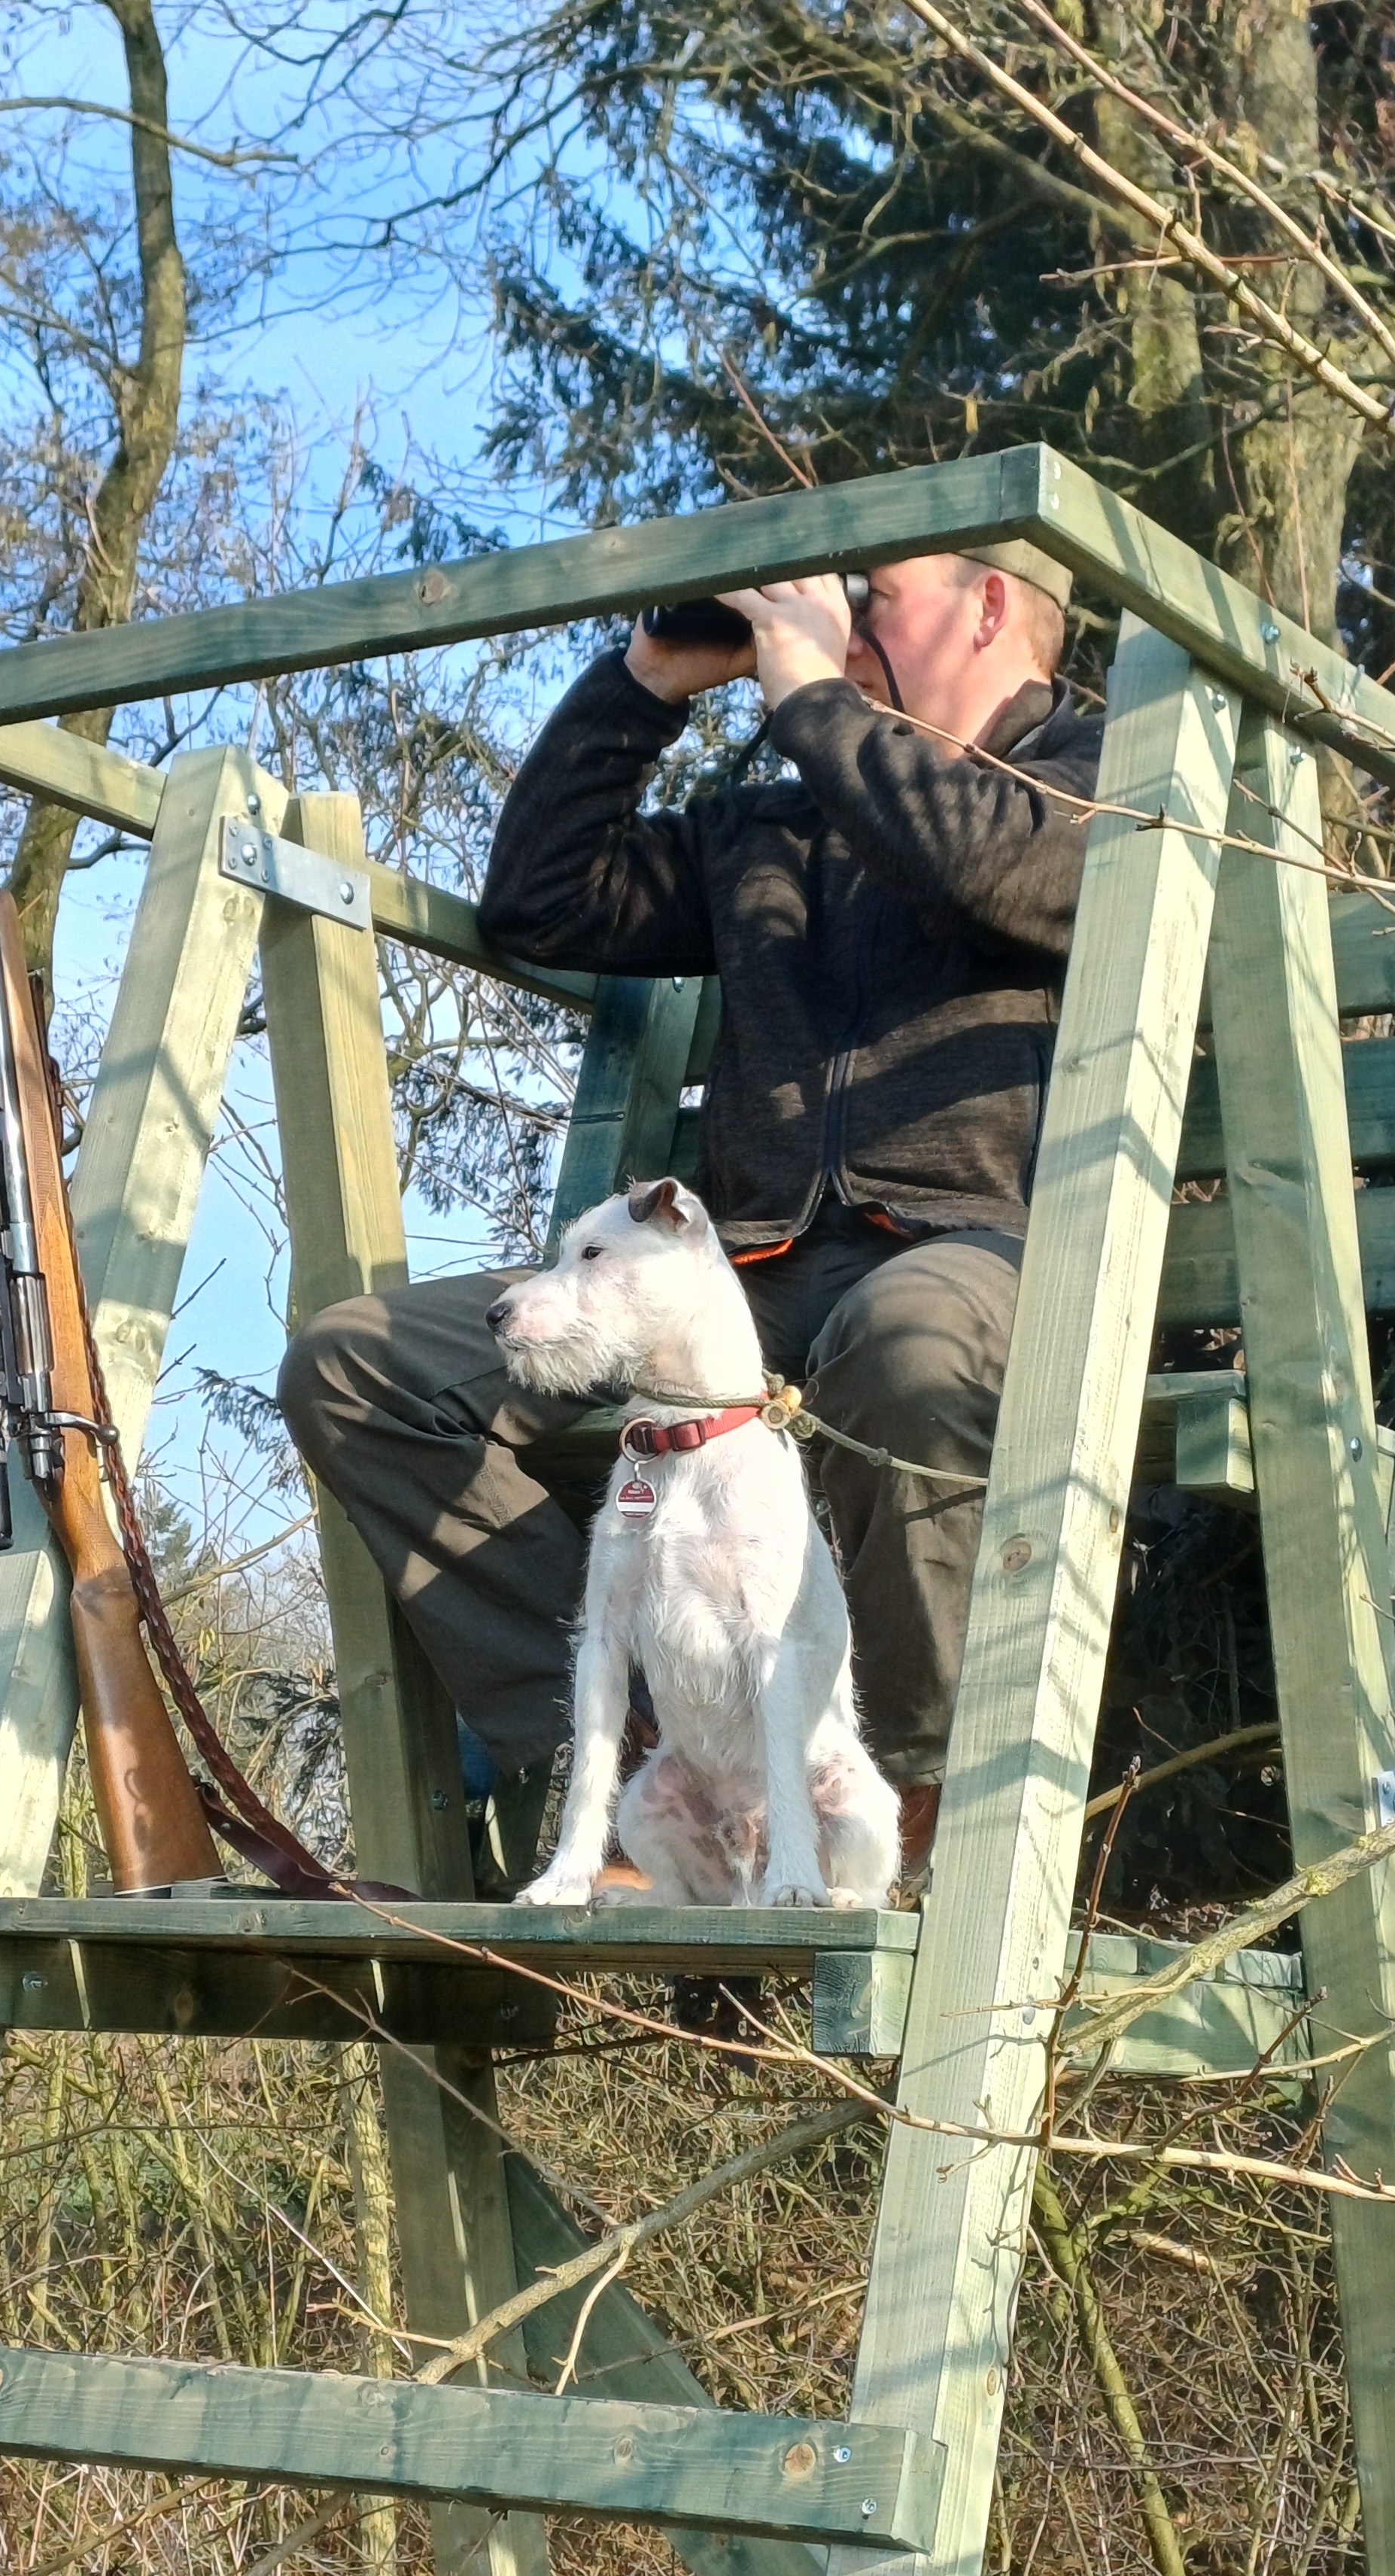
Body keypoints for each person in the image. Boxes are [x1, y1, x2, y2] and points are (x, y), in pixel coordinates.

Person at [278, 541, 1102, 1887]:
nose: (834, 618)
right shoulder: (774, 827)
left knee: (905, 1350)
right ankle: (639, 1776)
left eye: (876, 593)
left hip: (964, 1256)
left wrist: (809, 698)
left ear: (991, 604)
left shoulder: (1096, 783)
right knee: (361, 1369)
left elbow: (985, 867)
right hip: (743, 1280)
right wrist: (649, 679)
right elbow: (542, 900)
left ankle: (905, 1835)